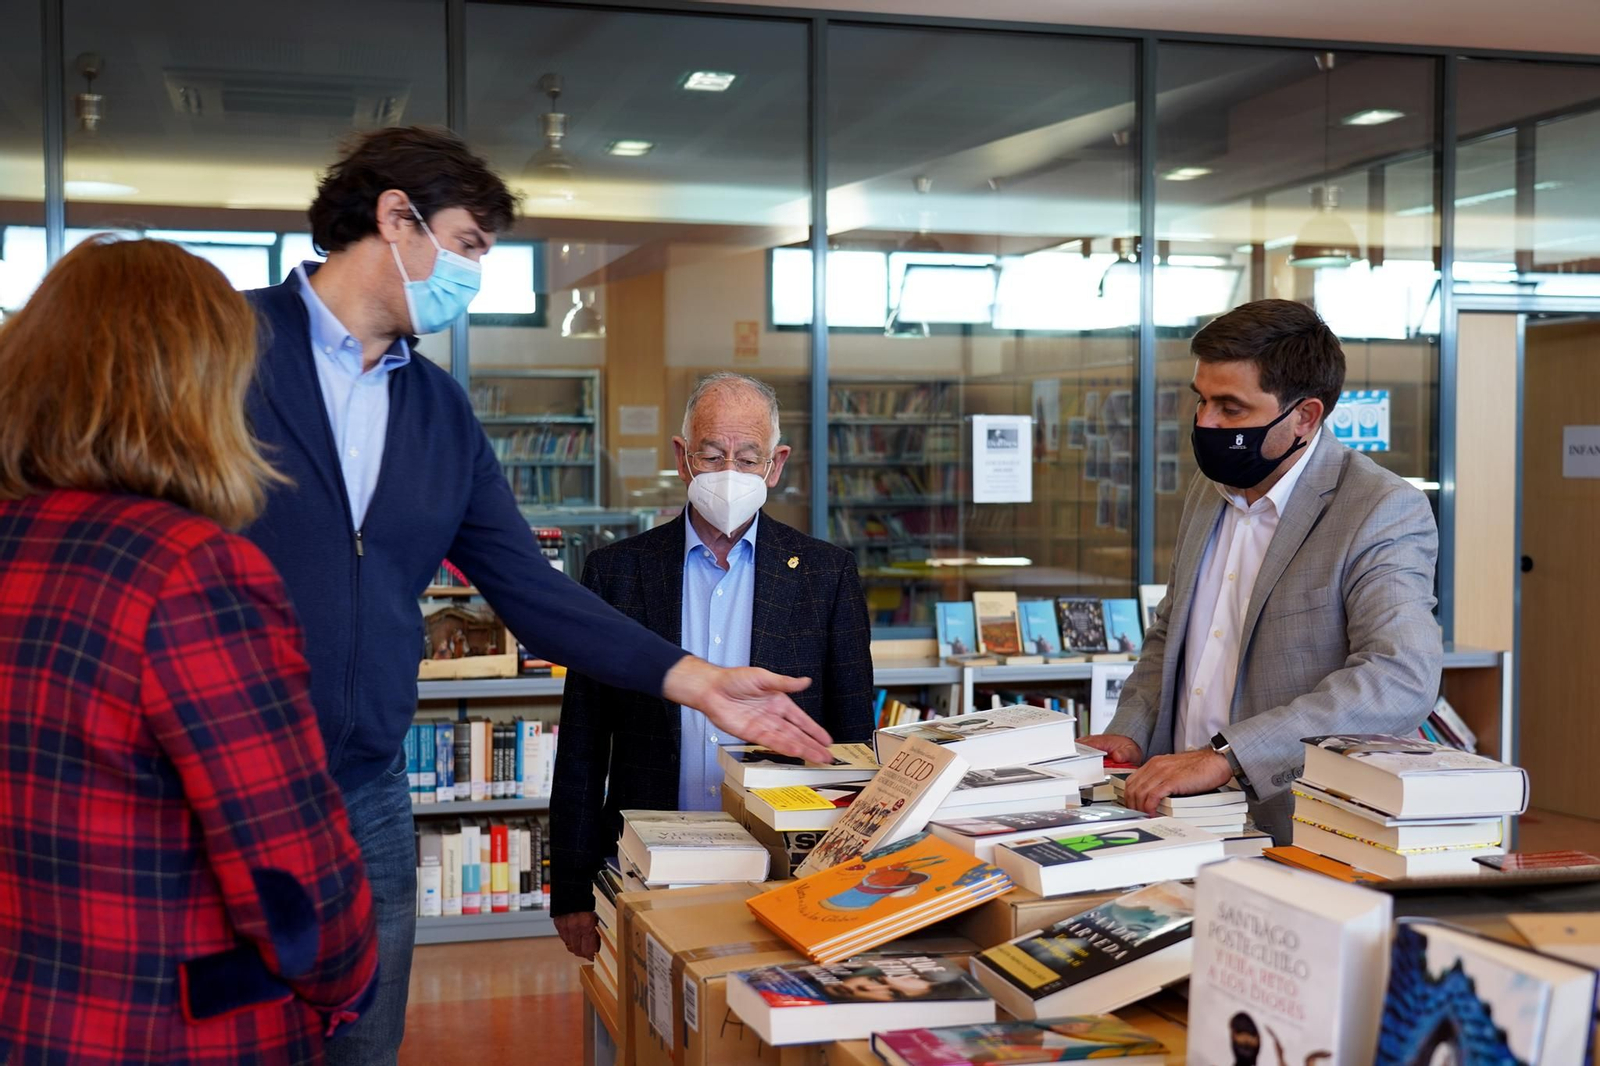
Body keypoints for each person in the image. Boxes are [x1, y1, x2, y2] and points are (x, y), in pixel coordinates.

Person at [241, 129, 832, 1063]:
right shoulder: (220, 351)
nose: (473, 277)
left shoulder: (434, 410)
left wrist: (697, 680)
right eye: (469, 245)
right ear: (397, 219)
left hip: (368, 793)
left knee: (359, 1043)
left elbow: (527, 587)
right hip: (217, 777)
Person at [0, 238, 378, 1064]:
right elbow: (292, 879)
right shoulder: (188, 572)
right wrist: (351, 981)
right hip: (169, 1032)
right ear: (193, 389)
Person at [1081, 299, 1442, 842]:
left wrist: (1229, 756)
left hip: (1292, 827)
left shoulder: (1378, 507)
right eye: (1201, 401)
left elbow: (1400, 677)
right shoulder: (1209, 491)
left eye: (1231, 408)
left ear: (1305, 416)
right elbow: (1169, 635)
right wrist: (1129, 731)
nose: (1205, 424)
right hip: (1170, 815)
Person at [550, 373, 874, 958]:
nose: (729, 471)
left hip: (785, 868)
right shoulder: (617, 573)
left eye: (747, 457)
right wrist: (570, 888)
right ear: (683, 458)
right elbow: (582, 744)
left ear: (775, 466)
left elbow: (853, 742)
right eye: (712, 453)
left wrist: (847, 873)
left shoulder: (828, 576)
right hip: (646, 863)